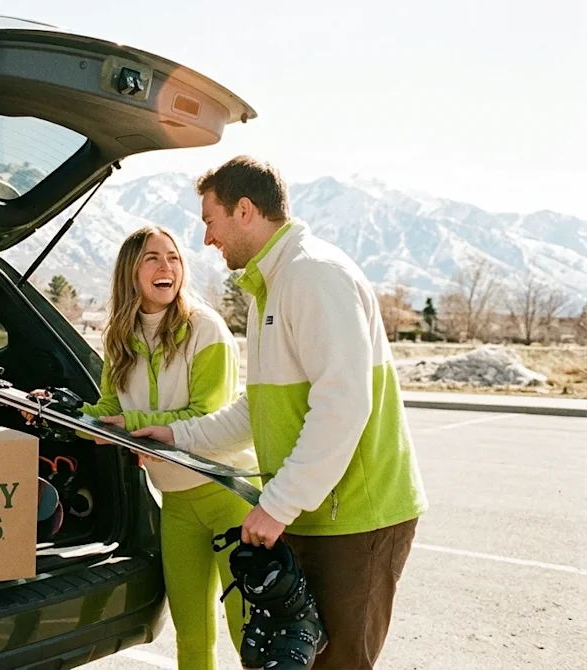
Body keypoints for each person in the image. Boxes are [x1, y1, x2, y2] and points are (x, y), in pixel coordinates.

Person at [130, 156, 428, 670]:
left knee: (337, 664)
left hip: (356, 517)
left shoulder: (313, 275)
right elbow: (259, 408)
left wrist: (279, 503)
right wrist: (178, 437)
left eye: (210, 221)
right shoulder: (270, 287)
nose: (207, 239)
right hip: (314, 512)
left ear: (244, 210)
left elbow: (342, 404)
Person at [47, 225, 260, 669]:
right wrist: (58, 414)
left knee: (250, 635)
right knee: (192, 637)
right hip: (176, 503)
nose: (167, 267)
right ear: (131, 271)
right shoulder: (119, 337)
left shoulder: (205, 329)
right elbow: (108, 411)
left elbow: (208, 415)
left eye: (174, 258)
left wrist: (132, 424)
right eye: (153, 258)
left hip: (227, 496)